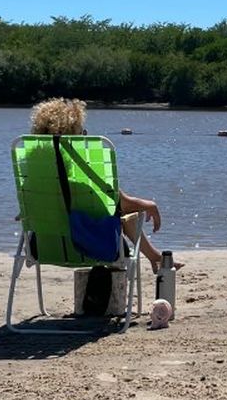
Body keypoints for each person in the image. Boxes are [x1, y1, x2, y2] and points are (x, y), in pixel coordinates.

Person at [27, 97, 176, 273]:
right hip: (91, 248)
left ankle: (154, 256)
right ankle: (154, 258)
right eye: (82, 133)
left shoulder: (33, 184)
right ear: (74, 141)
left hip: (42, 249)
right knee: (122, 216)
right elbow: (122, 204)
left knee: (116, 215)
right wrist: (149, 205)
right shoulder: (86, 182)